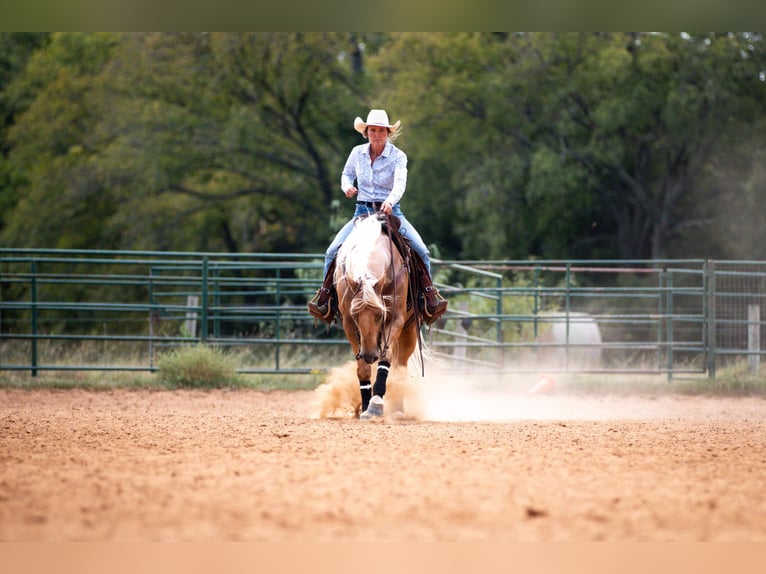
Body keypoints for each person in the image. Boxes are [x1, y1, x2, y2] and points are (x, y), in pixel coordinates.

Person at [308, 109, 448, 326]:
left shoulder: (398, 156)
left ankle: (427, 300)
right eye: (372, 130)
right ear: (366, 132)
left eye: (381, 130)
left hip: (390, 213)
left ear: (388, 133)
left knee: (422, 250)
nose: (377, 134)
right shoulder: (357, 153)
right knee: (332, 251)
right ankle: (327, 301)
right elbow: (346, 174)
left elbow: (400, 182)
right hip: (362, 213)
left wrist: (390, 201)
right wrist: (347, 186)